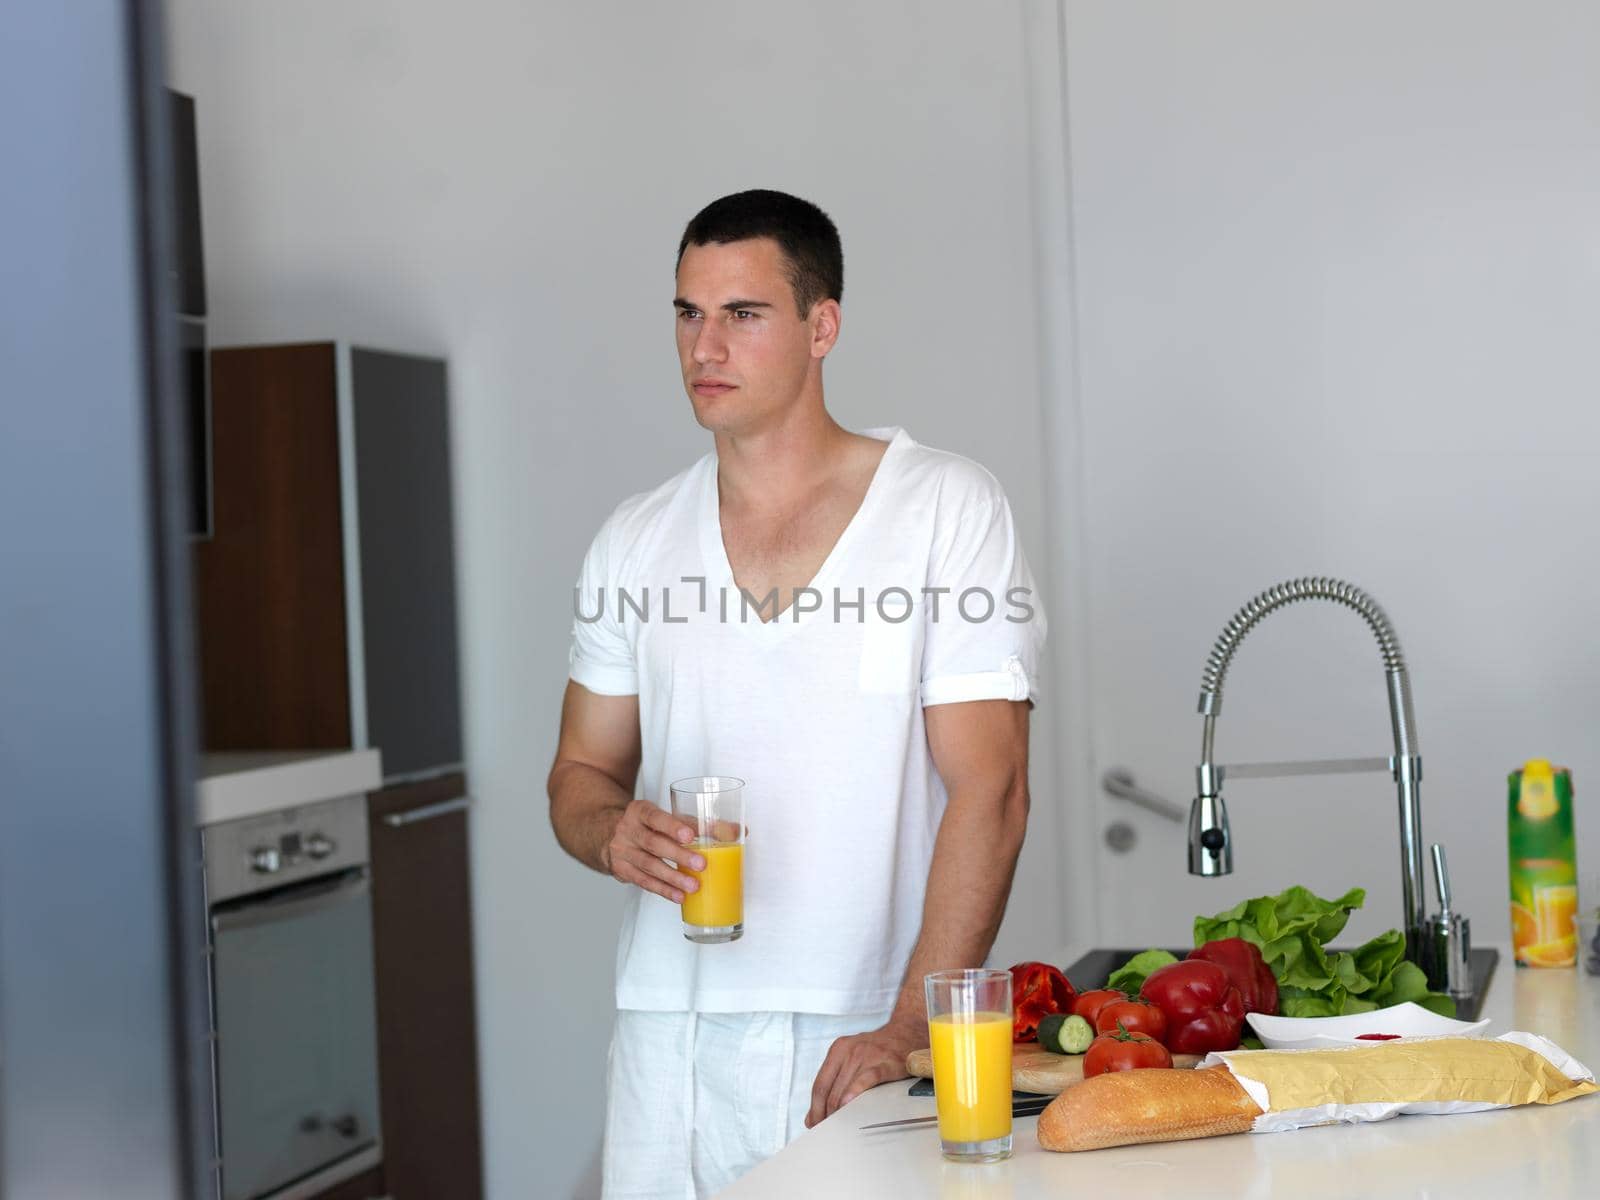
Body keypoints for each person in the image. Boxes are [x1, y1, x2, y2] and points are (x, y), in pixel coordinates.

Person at [548, 189, 1046, 1200]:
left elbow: (990, 793)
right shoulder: (633, 539)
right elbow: (579, 772)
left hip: (858, 1030)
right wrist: (609, 831)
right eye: (687, 313)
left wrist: (910, 1027)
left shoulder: (943, 508)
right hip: (668, 1036)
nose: (705, 346)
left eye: (744, 314)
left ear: (822, 327)